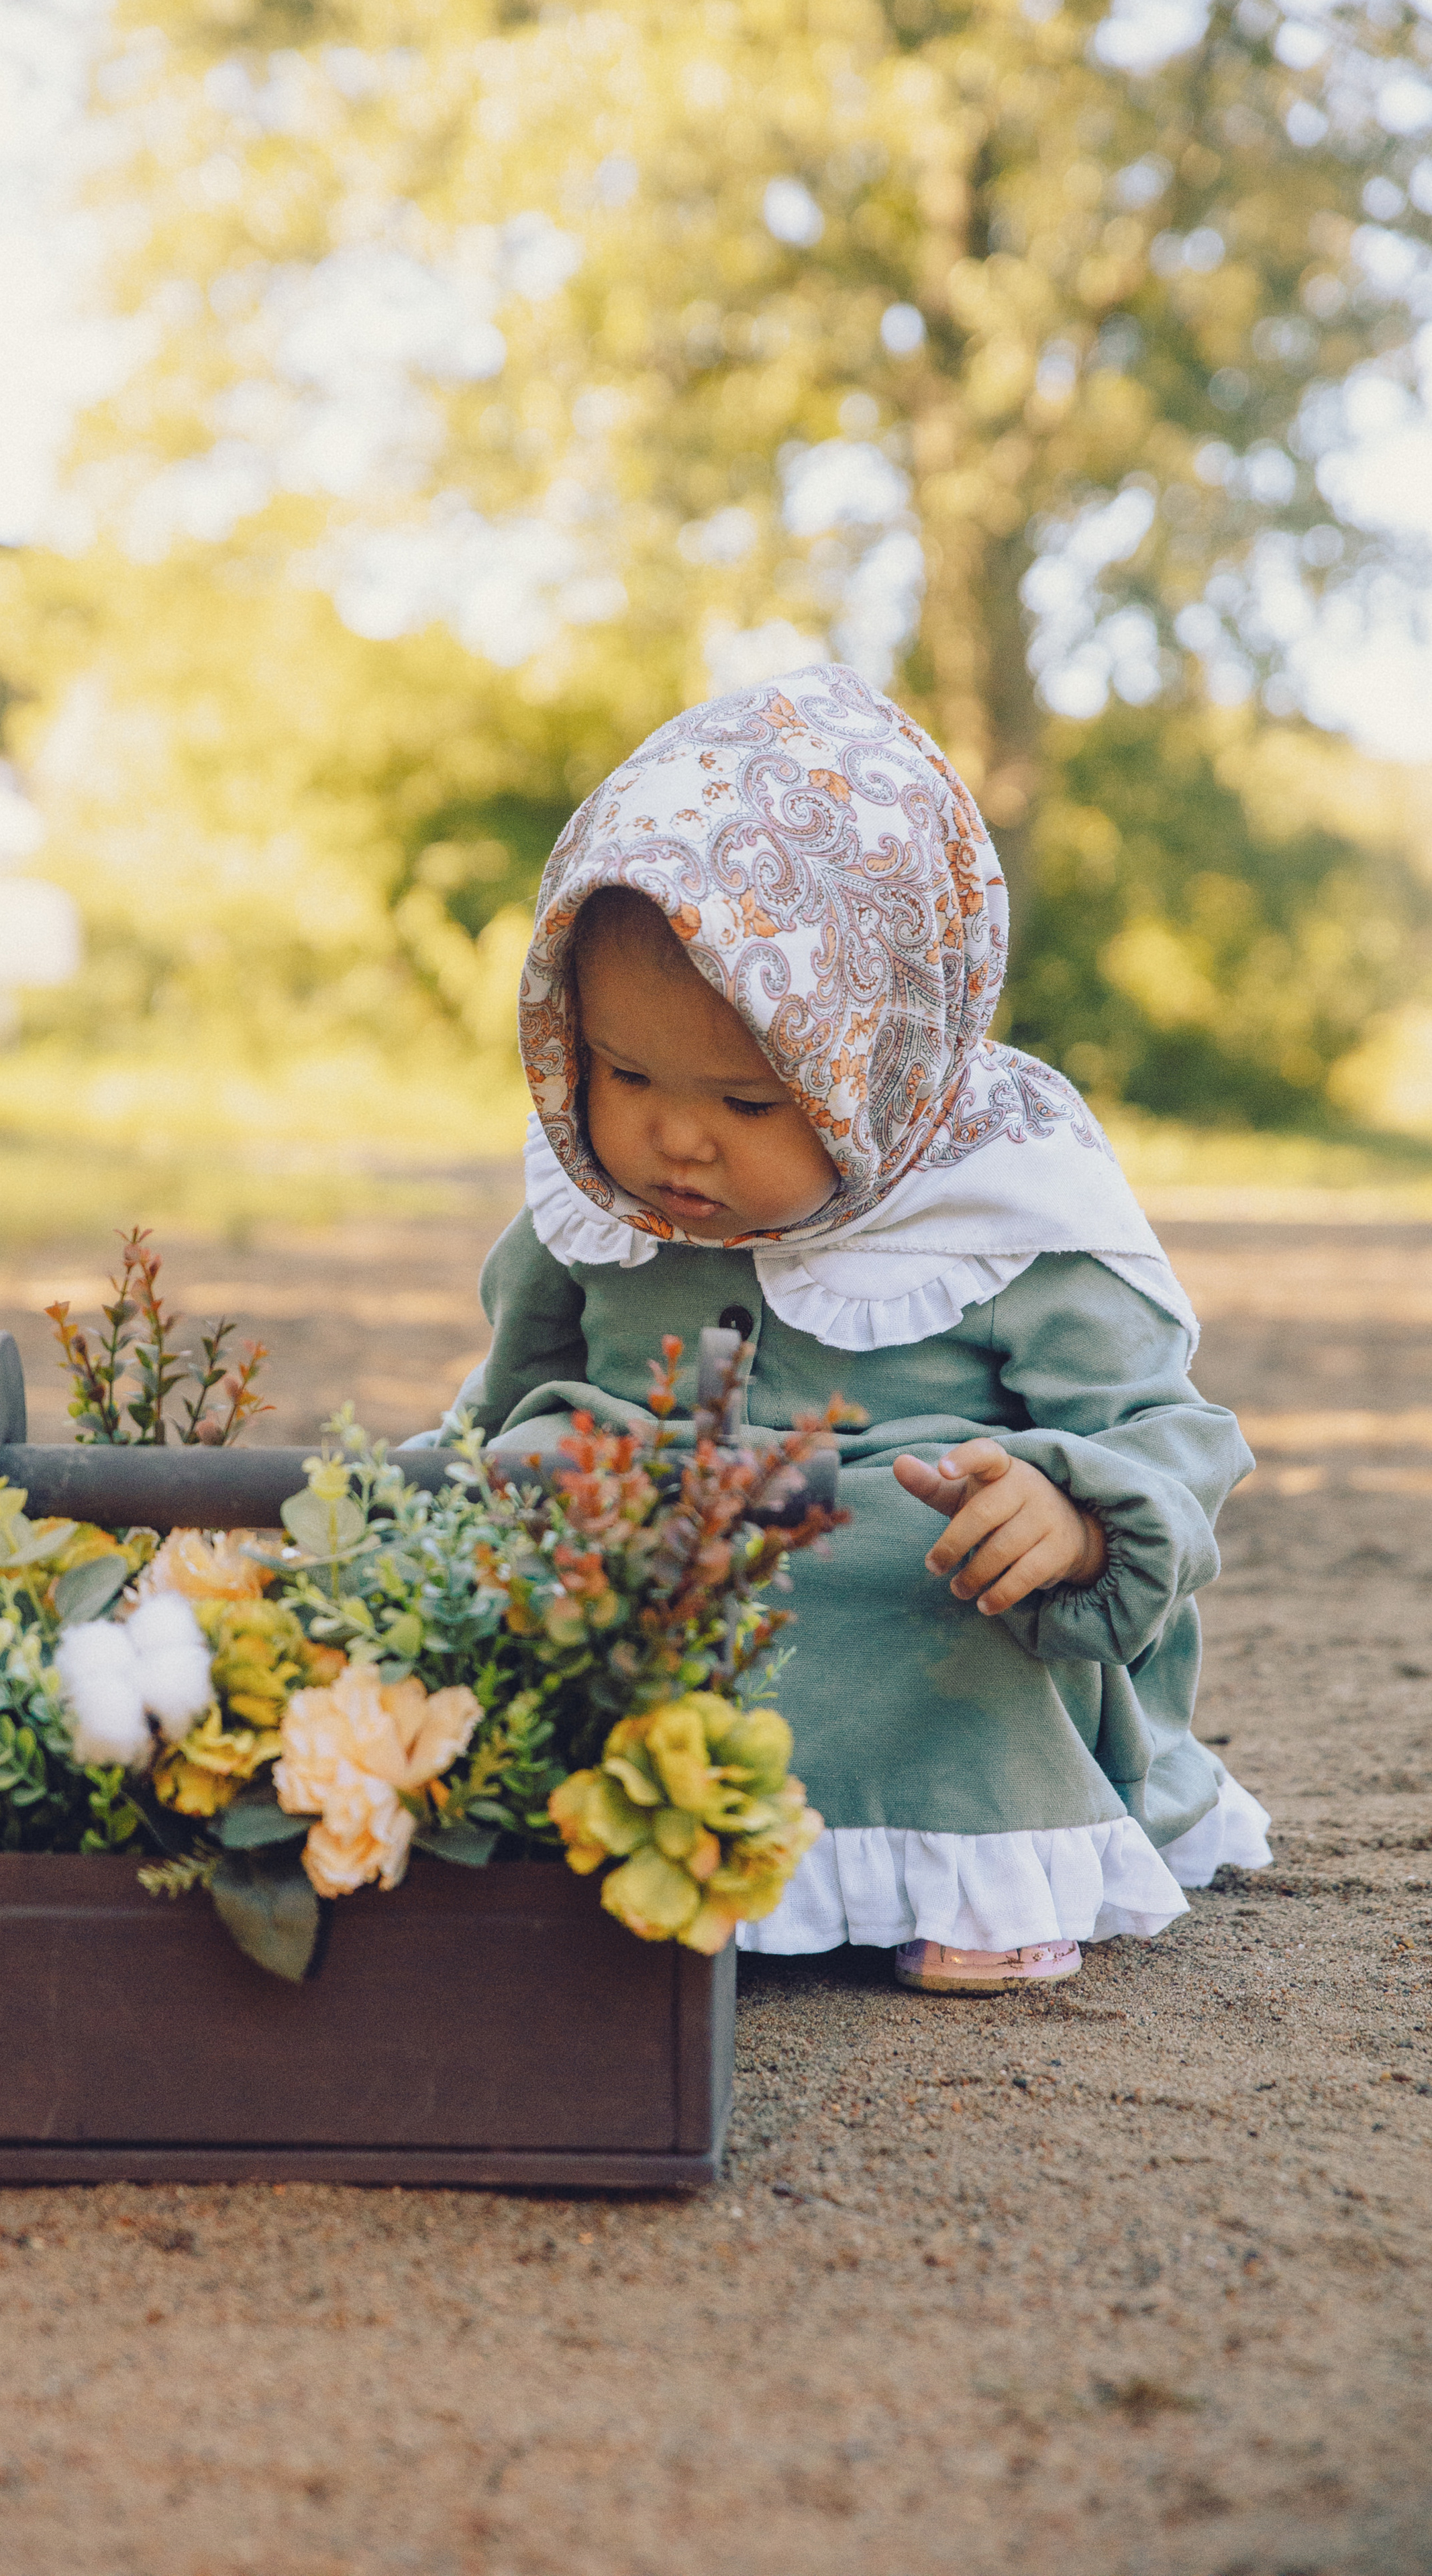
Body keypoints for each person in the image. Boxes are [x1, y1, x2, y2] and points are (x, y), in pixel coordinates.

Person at [450, 664, 1271, 1993]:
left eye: (746, 1101)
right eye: (624, 1071)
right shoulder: (588, 1208)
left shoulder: (1003, 1203)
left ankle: (969, 1864)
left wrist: (1074, 1522)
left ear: (884, 1061)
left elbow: (1163, 1430)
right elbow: (498, 1401)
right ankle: (574, 1841)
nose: (673, 1137)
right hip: (638, 1546)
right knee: (525, 1510)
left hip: (899, 1571)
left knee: (934, 1572)